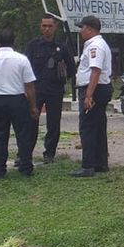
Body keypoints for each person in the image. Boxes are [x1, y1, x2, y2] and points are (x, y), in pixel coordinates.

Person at [0, 29, 38, 179]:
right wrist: (33, 106)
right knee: (23, 135)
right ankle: (26, 167)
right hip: (18, 100)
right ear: (14, 41)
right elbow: (29, 85)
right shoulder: (22, 59)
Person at [24, 15, 76, 163]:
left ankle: (49, 154)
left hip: (55, 90)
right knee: (30, 123)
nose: (47, 29)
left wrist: (63, 77)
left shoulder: (62, 48)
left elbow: (71, 68)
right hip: (36, 90)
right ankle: (25, 153)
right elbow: (24, 66)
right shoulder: (33, 46)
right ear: (40, 27)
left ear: (55, 27)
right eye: (44, 26)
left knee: (53, 124)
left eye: (50, 26)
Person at [71, 15, 113, 177]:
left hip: (94, 89)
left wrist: (89, 95)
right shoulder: (95, 45)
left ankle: (88, 165)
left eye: (82, 28)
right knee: (98, 126)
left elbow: (95, 71)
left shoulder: (95, 46)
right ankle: (100, 163)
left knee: (87, 127)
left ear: (90, 29)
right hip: (98, 88)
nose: (80, 31)